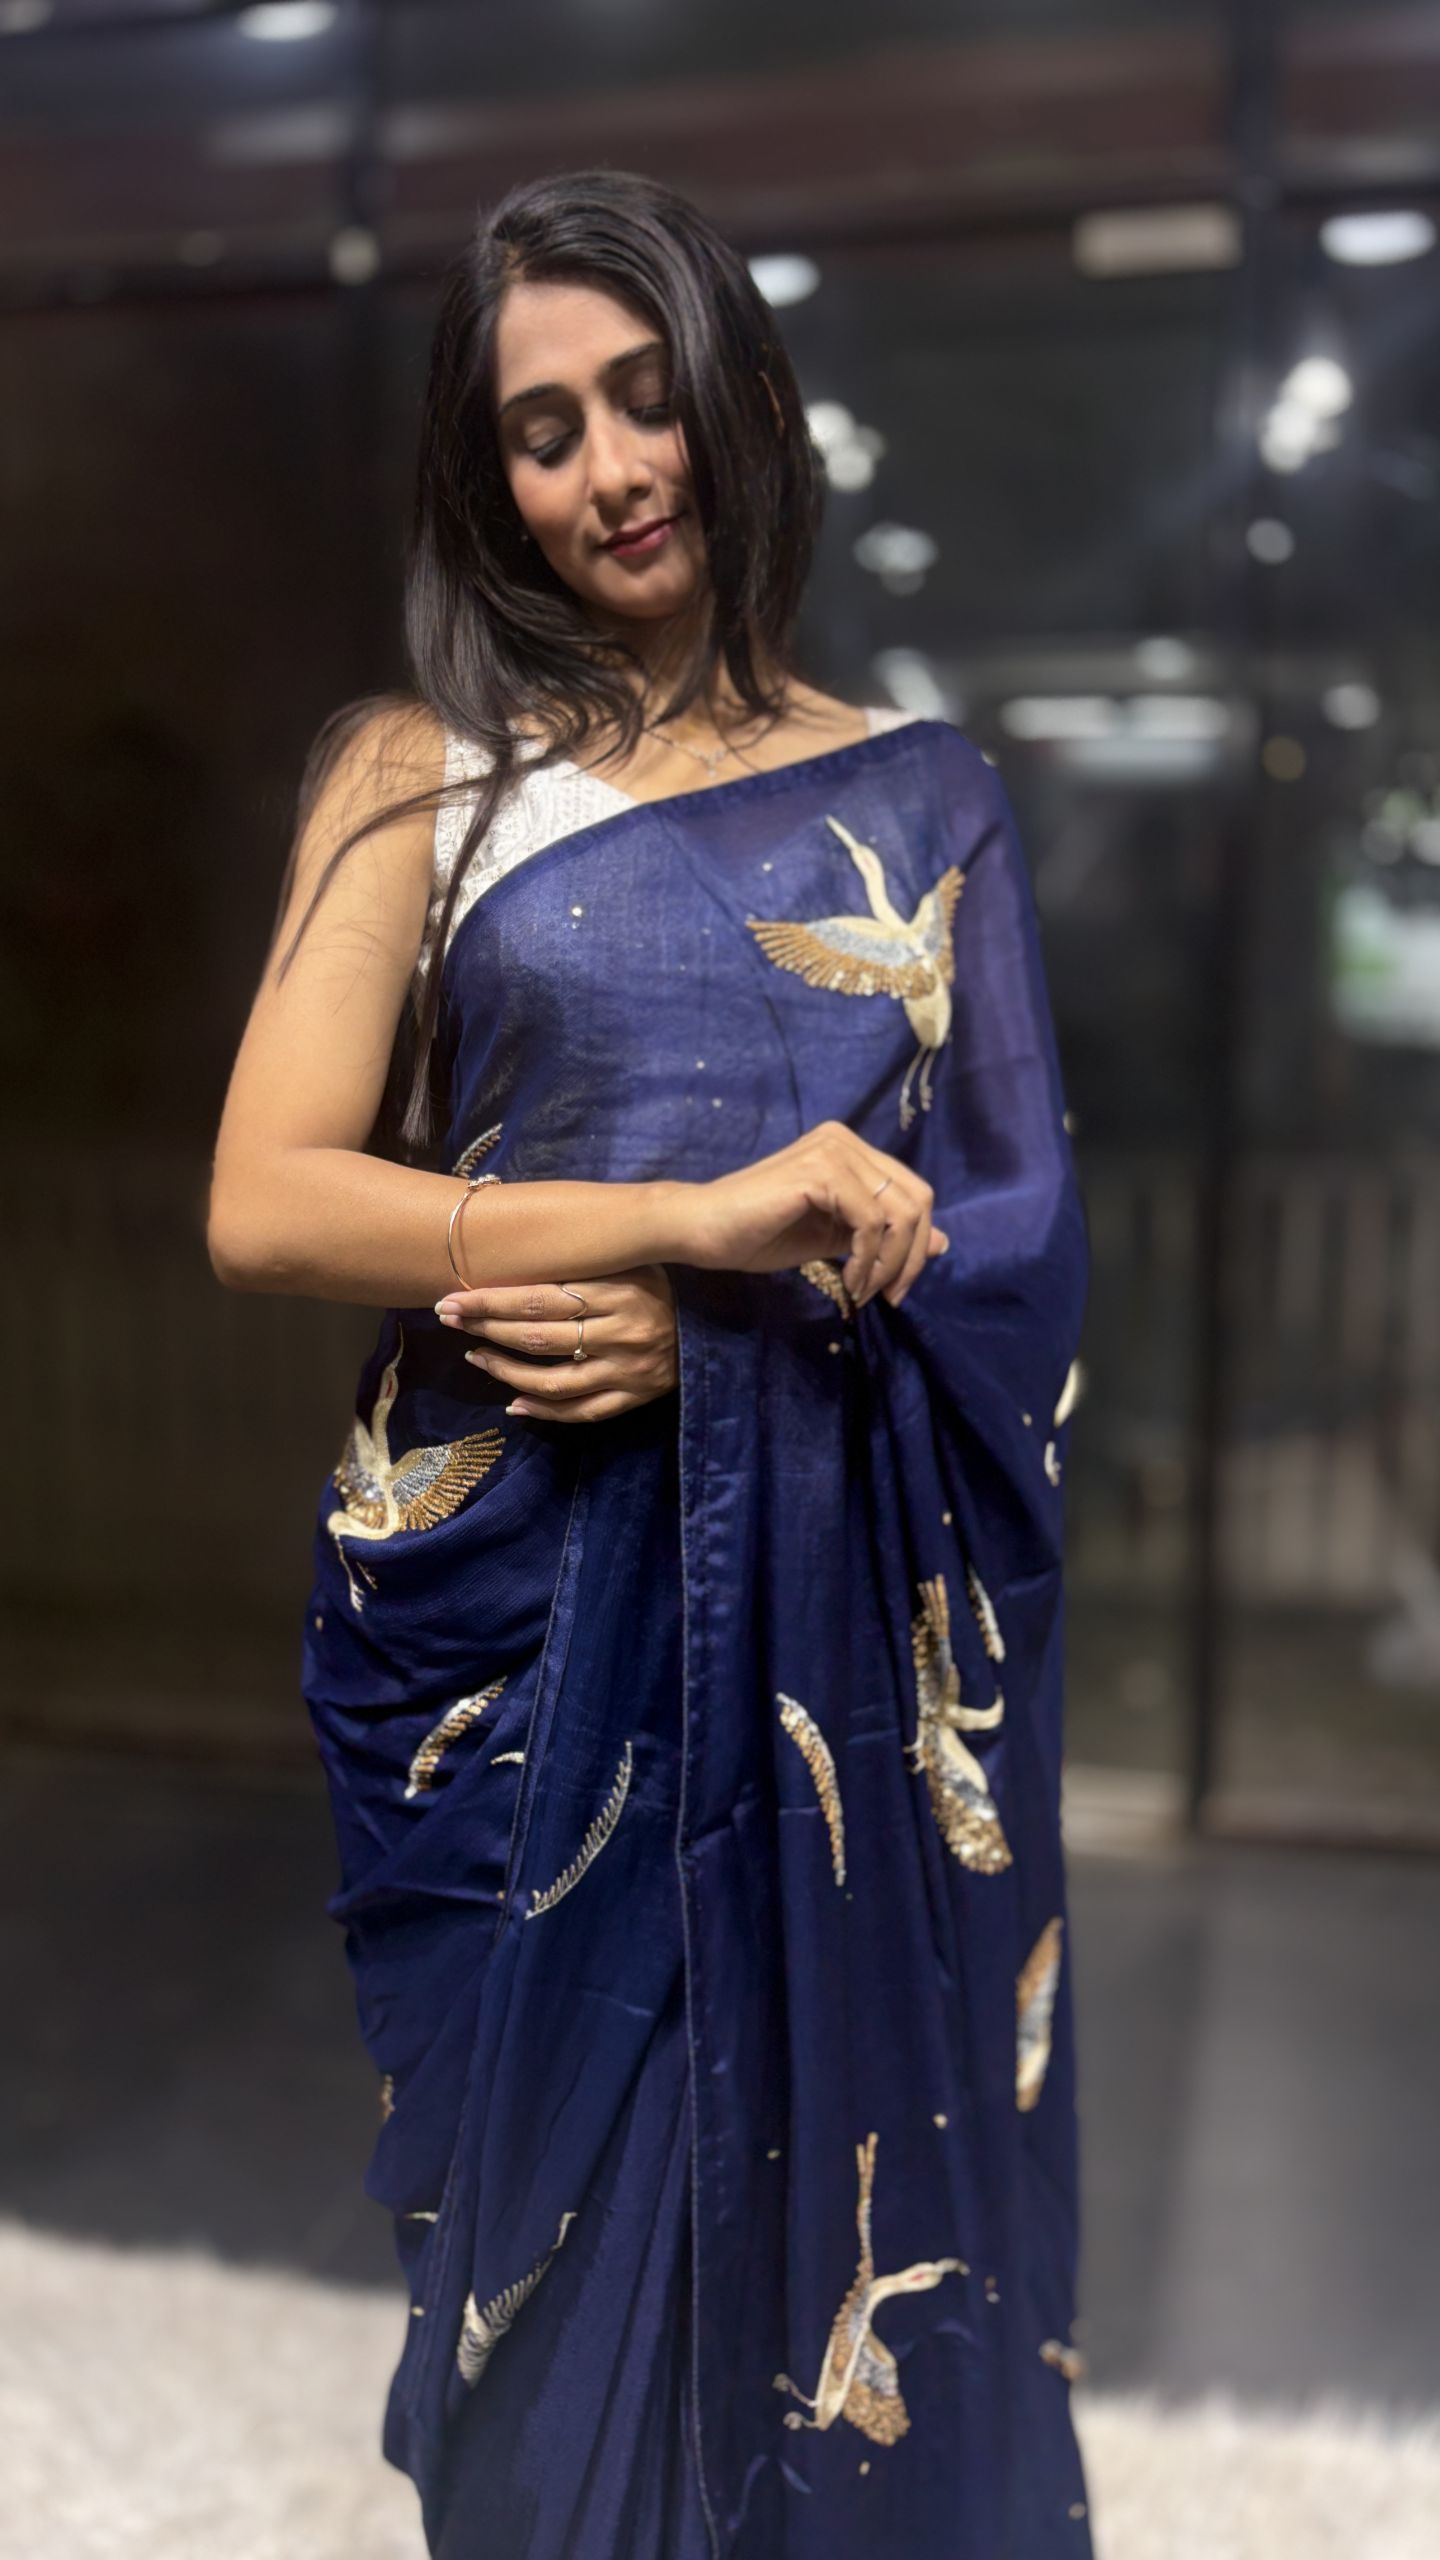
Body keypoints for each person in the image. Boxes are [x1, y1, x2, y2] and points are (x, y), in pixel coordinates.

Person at [207, 166, 1093, 2560]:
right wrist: (682, 1223)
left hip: (818, 1675)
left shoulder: (927, 802)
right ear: (486, 476)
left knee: (840, 2290)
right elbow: (270, 1194)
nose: (608, 467)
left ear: (736, 393)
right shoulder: (422, 772)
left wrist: (727, 1343)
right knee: (535, 2317)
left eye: (641, 395)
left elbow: (1011, 1256)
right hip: (508, 1643)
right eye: (541, 429)